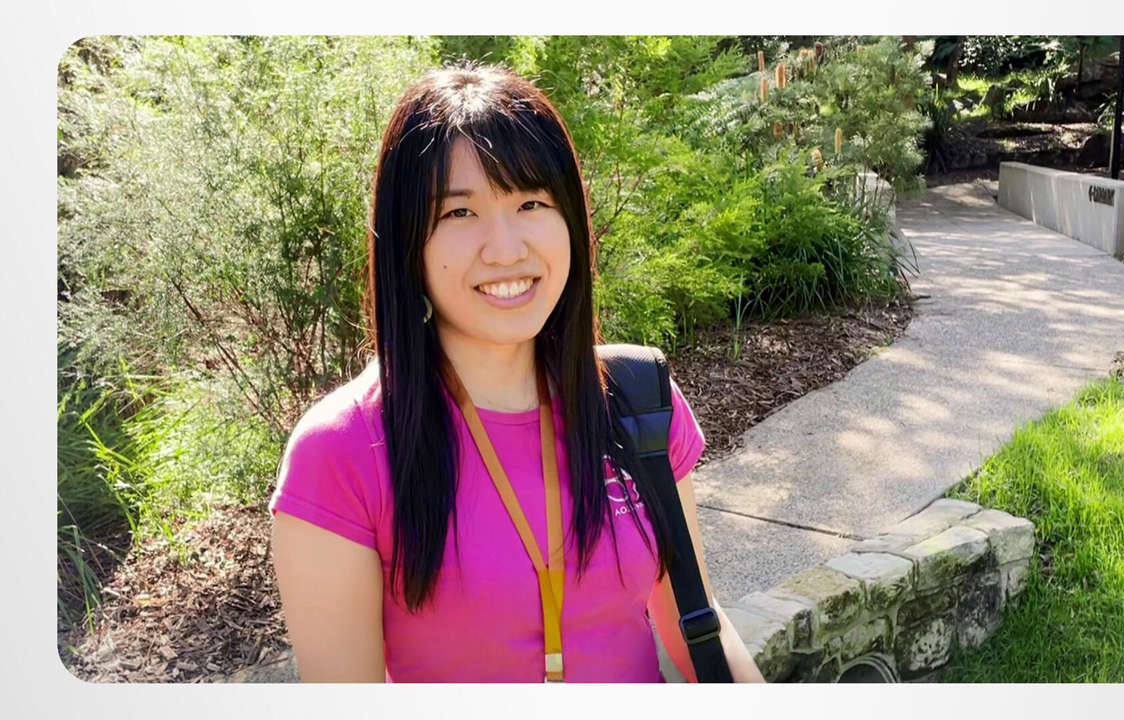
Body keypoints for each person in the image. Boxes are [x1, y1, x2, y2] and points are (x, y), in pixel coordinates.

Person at [268, 63, 765, 683]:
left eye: (530, 202)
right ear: (407, 243)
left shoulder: (635, 401)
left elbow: (699, 623)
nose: (505, 249)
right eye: (459, 213)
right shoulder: (343, 451)